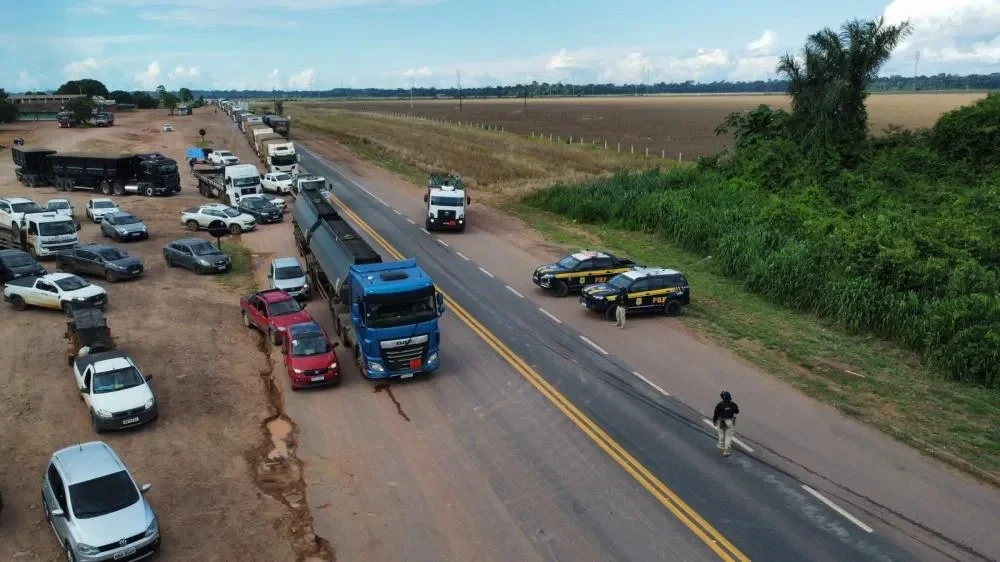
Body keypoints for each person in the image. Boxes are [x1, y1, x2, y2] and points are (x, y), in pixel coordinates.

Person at [712, 391, 740, 456]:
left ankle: (721, 445)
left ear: (723, 398)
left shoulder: (719, 405)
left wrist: (714, 421)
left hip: (722, 421)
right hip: (730, 422)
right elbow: (737, 411)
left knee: (721, 434)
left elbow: (716, 414)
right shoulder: (733, 404)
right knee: (728, 436)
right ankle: (726, 451)